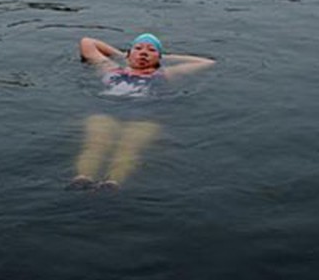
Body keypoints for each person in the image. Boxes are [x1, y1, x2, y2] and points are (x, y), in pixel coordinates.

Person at [70, 34, 215, 191]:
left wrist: (165, 58)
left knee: (129, 148)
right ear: (129, 54)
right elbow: (87, 42)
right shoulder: (110, 69)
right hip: (107, 112)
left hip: (143, 117)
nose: (144, 52)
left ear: (158, 58)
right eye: (138, 48)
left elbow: (207, 62)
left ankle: (112, 182)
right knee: (96, 143)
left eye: (151, 50)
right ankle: (83, 177)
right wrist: (120, 55)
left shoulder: (164, 74)